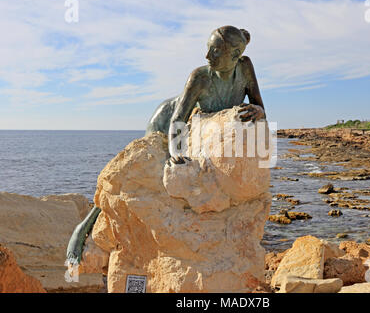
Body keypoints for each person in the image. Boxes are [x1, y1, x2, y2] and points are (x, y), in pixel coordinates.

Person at [66, 25, 266, 266]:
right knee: (126, 177)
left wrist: (258, 111)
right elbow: (177, 119)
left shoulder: (245, 67)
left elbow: (260, 105)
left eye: (215, 51)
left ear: (234, 55)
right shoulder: (200, 76)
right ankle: (82, 230)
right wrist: (175, 152)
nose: (207, 56)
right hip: (166, 118)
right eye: (208, 49)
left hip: (198, 124)